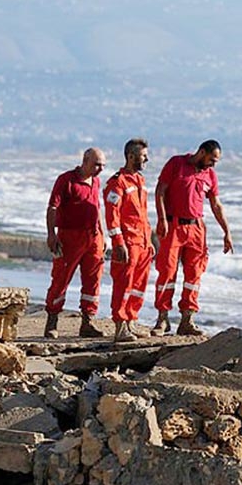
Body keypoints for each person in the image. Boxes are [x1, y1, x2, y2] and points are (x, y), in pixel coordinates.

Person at [152, 139, 233, 336]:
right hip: (173, 226)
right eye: (212, 159)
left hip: (197, 228)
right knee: (167, 273)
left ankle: (187, 319)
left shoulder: (210, 175)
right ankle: (162, 319)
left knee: (194, 275)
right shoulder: (176, 164)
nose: (213, 164)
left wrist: (227, 232)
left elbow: (216, 205)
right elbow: (160, 191)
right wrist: (162, 219)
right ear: (202, 152)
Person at [43, 148, 108, 339]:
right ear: (85, 160)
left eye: (103, 165)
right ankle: (52, 321)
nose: (100, 169)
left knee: (93, 279)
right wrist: (51, 234)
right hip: (69, 236)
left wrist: (103, 235)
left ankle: (88, 322)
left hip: (93, 237)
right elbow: (52, 207)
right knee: (61, 277)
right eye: (97, 164)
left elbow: (97, 208)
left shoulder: (96, 181)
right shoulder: (66, 180)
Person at [103, 138, 153, 343]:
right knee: (123, 283)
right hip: (128, 243)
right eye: (143, 156)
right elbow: (111, 215)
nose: (147, 159)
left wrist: (149, 241)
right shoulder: (118, 183)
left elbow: (142, 214)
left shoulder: (139, 180)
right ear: (131, 156)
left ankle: (132, 319)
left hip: (142, 241)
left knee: (139, 285)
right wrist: (118, 242)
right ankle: (120, 326)